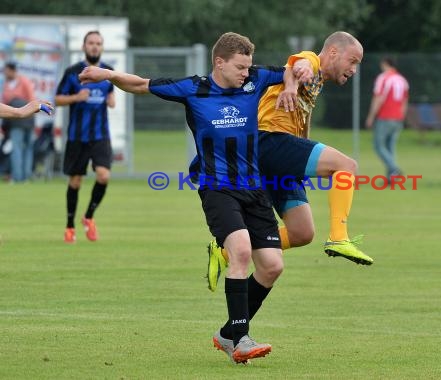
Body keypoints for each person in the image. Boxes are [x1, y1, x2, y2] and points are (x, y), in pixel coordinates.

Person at [79, 32, 308, 364]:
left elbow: (293, 67)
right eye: (240, 67)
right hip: (217, 188)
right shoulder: (192, 88)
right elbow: (141, 84)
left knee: (272, 266)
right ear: (219, 62)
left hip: (254, 189)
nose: (247, 73)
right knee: (241, 250)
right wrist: (111, 75)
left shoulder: (255, 79)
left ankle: (229, 332)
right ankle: (240, 339)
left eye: (248, 67)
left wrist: (290, 84)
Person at [205, 31, 372, 294]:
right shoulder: (312, 62)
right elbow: (297, 65)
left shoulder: (318, 83)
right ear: (333, 53)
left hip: (278, 154)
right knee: (346, 166)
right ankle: (339, 237)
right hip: (268, 140)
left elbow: (298, 112)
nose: (353, 69)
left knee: (301, 233)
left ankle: (224, 252)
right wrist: (293, 83)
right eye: (353, 61)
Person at [55, 31, 116, 243]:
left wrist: (111, 99)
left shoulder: (108, 72)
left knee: (104, 176)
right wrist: (76, 97)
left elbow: (111, 93)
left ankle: (88, 217)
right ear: (83, 46)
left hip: (100, 136)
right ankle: (69, 226)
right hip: (77, 137)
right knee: (75, 181)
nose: (94, 47)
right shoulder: (72, 72)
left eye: (98, 43)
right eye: (91, 43)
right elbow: (58, 99)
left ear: (102, 47)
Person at [365, 57, 409, 179]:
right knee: (390, 147)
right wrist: (402, 117)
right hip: (398, 117)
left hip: (385, 116)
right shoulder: (402, 79)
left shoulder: (383, 78)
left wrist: (371, 116)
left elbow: (379, 98)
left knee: (378, 146)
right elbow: (405, 101)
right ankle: (391, 178)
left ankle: (394, 169)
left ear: (385, 64)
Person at [2, 62, 36, 182]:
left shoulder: (24, 81)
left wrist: (30, 114)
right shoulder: (6, 85)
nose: (5, 73)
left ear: (12, 70)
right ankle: (18, 176)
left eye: (6, 70)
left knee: (27, 148)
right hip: (15, 120)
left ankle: (25, 176)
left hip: (27, 118)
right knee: (16, 148)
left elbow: (32, 100)